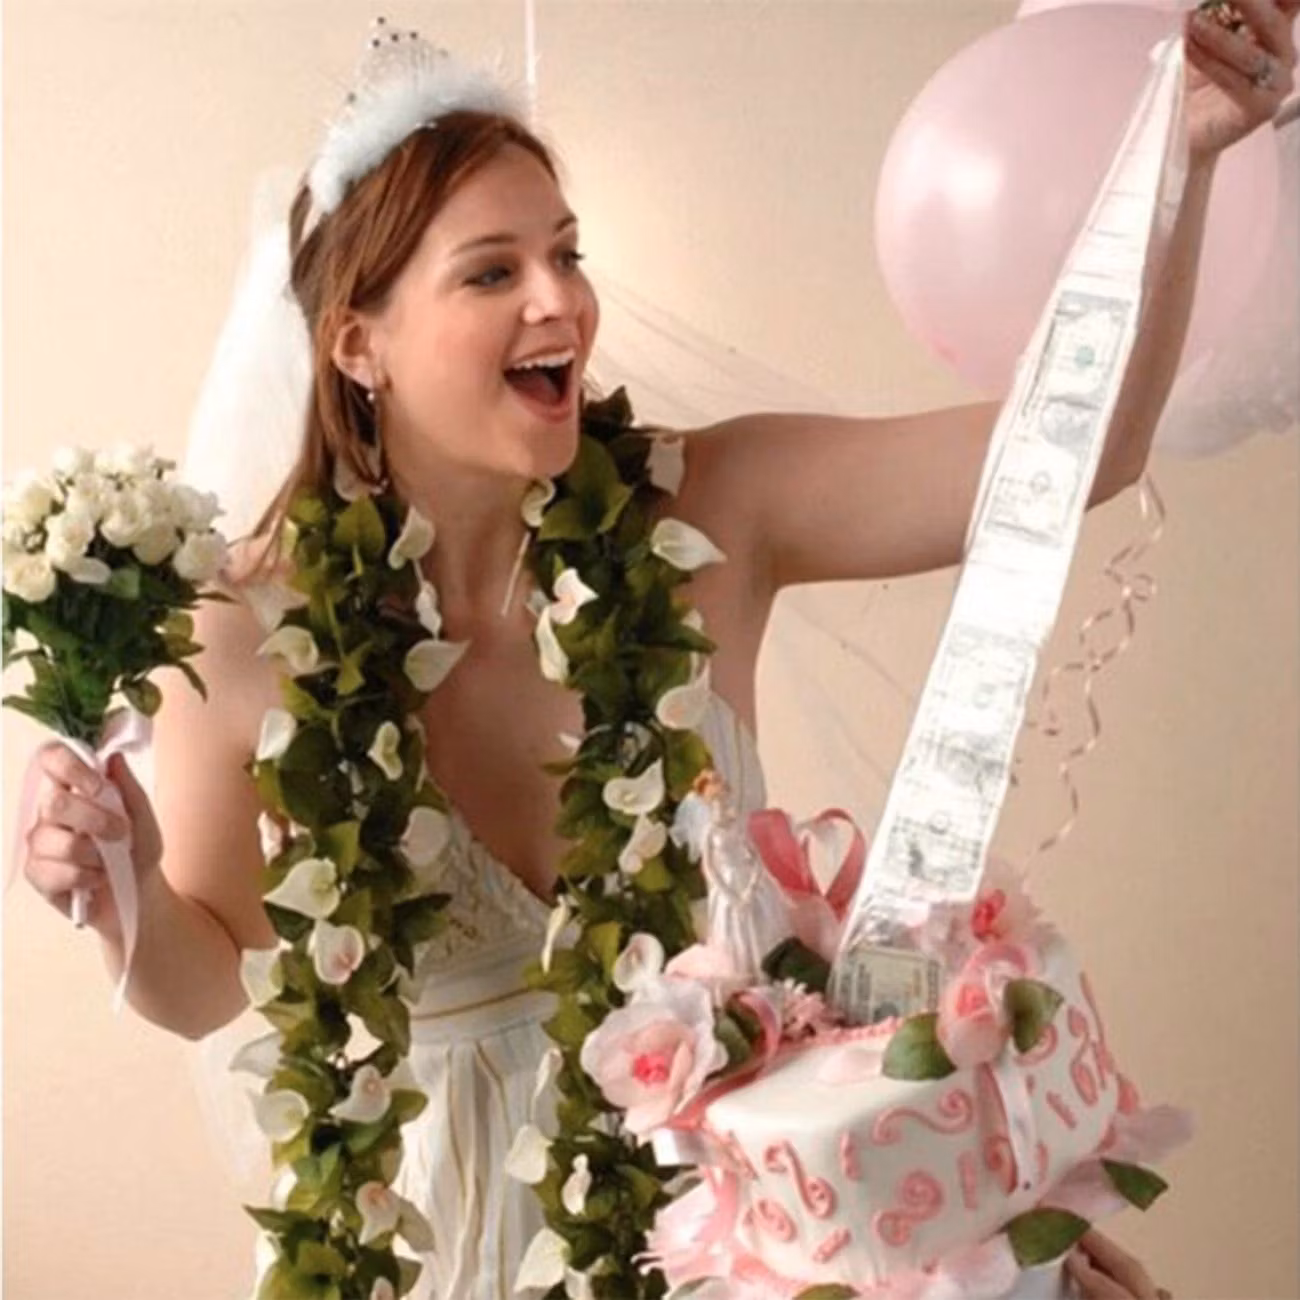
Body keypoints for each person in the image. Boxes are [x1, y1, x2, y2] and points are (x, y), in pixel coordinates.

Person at [19, 6, 1294, 1298]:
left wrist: (1182, 155)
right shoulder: (249, 632)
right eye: (492, 272)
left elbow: (1079, 449)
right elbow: (205, 987)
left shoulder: (713, 514)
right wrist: (116, 888)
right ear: (360, 343)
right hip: (443, 1253)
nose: (560, 300)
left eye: (566, 254)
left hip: (746, 1237)